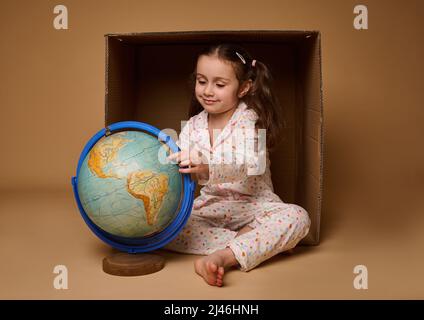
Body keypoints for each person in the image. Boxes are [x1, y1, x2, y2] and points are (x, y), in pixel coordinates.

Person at [165, 43, 311, 287]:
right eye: (202, 81)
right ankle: (257, 244)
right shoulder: (192, 126)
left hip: (256, 206)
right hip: (212, 206)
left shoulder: (250, 119)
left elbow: (246, 163)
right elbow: (180, 170)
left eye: (220, 85)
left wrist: (207, 167)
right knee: (168, 228)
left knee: (298, 218)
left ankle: (224, 256)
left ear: (244, 88)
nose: (208, 91)